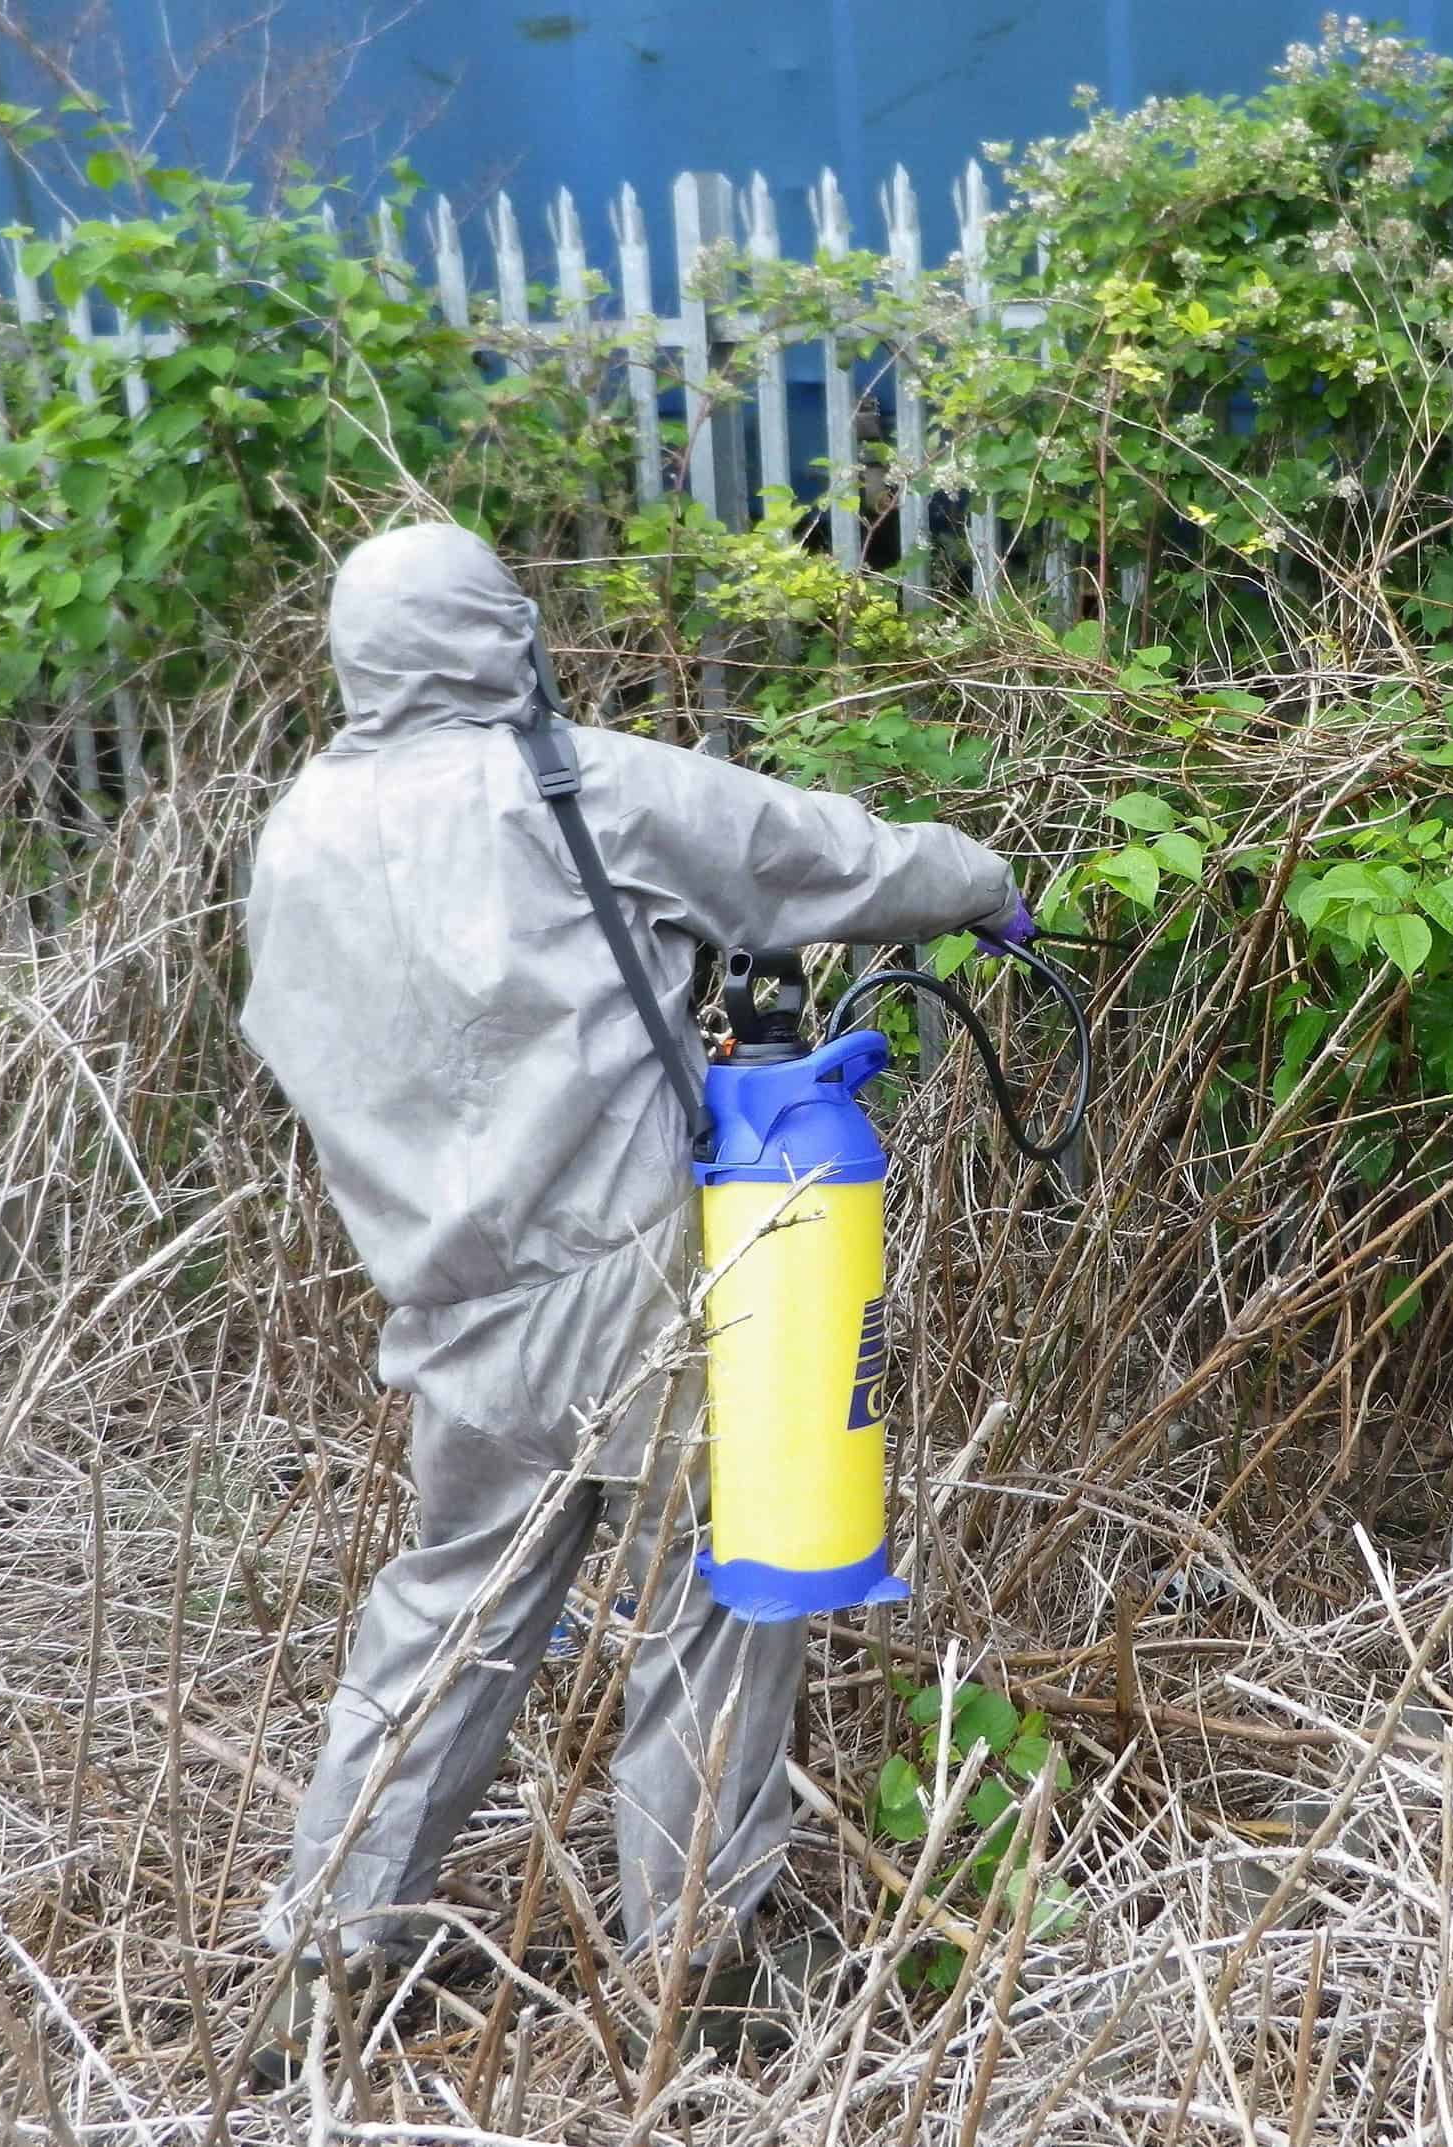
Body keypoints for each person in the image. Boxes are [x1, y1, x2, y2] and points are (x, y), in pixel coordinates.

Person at [237, 522, 1029, 2083]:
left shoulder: (297, 833)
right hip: (628, 1290)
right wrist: (987, 884)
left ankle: (322, 1966)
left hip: (444, 1303)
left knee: (446, 1626)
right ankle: (700, 1984)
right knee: (715, 1615)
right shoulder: (576, 784)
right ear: (500, 632)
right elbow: (833, 861)